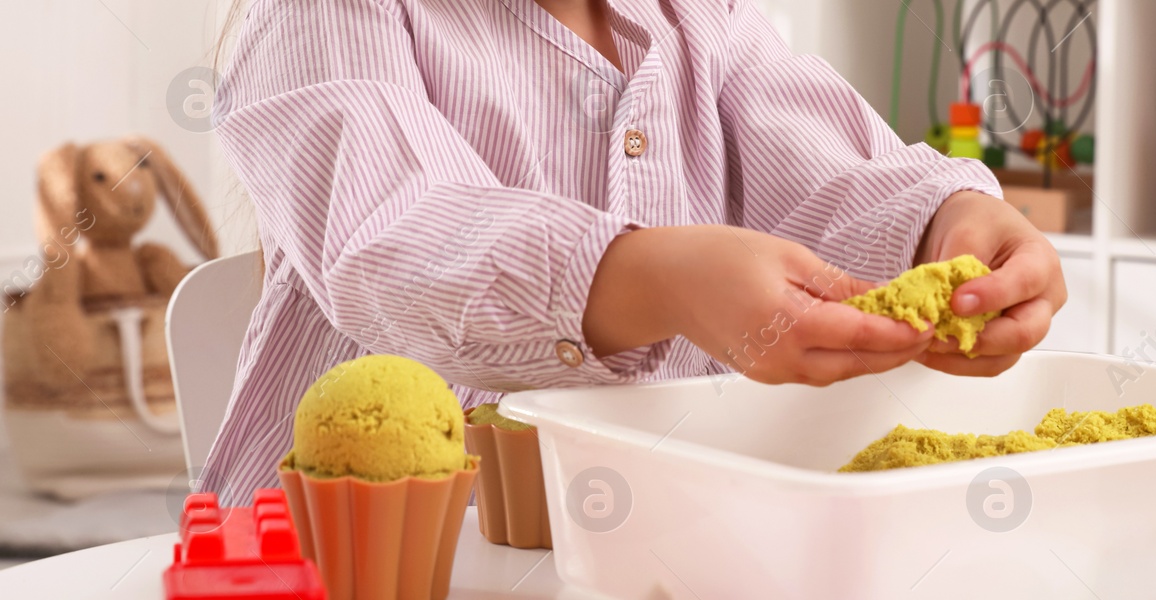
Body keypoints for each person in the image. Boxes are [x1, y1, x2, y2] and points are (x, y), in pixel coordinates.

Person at [204, 0, 1066, 504]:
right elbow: (394, 239)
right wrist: (650, 277)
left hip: (641, 543)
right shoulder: (324, 16)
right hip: (347, 558)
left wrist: (947, 220)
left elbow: (831, 176)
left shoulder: (699, 19)